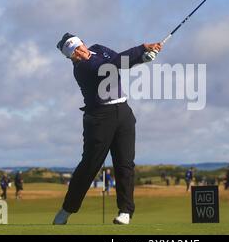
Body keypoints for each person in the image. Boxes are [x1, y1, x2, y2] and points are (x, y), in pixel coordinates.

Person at [53, 33, 162, 226]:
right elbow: (113, 65)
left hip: (123, 111)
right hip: (99, 118)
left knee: (125, 164)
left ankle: (125, 212)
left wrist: (143, 58)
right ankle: (67, 210)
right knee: (89, 166)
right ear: (71, 58)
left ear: (83, 43)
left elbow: (120, 61)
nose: (80, 52)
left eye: (79, 46)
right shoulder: (82, 69)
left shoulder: (99, 49)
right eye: (75, 52)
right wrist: (143, 47)